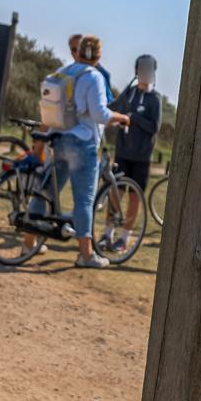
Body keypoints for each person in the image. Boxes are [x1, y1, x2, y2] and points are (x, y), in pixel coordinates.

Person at [52, 34, 127, 269]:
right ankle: (85, 254)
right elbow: (99, 114)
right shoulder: (94, 76)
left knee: (48, 190)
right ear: (98, 55)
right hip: (82, 142)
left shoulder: (64, 72)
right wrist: (121, 117)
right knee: (84, 199)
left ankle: (29, 240)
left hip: (59, 137)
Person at [109, 54, 163, 241]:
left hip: (142, 157)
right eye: (141, 69)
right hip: (122, 153)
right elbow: (113, 108)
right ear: (136, 71)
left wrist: (134, 118)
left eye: (149, 69)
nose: (145, 73)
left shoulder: (155, 98)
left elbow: (154, 127)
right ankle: (108, 233)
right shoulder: (129, 93)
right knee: (115, 192)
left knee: (134, 197)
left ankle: (124, 238)